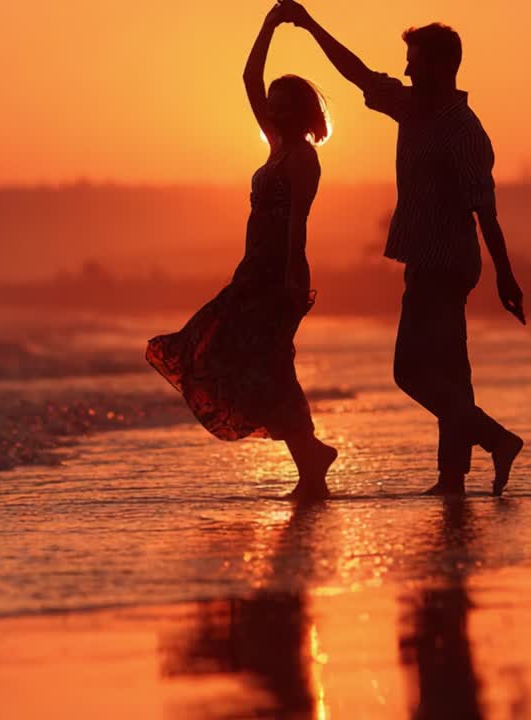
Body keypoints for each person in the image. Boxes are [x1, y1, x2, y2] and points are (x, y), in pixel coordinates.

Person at [279, 0, 524, 496]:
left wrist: (505, 275)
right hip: (425, 259)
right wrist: (308, 26)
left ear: (441, 65)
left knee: (409, 372)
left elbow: (486, 211)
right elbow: (357, 74)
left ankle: (497, 439)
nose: (407, 69)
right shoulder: (412, 107)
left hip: (447, 264)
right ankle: (452, 478)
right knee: (452, 374)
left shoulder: (464, 130)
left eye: (415, 60)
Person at [146, 3, 337, 500]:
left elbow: (298, 227)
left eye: (282, 102)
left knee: (265, 362)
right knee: (227, 351)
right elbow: (250, 76)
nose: (272, 107)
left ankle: (311, 460)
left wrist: (295, 281)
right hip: (251, 271)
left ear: (301, 111)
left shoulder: (302, 159)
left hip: (277, 276)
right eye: (271, 102)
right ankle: (311, 455)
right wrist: (270, 24)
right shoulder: (275, 144)